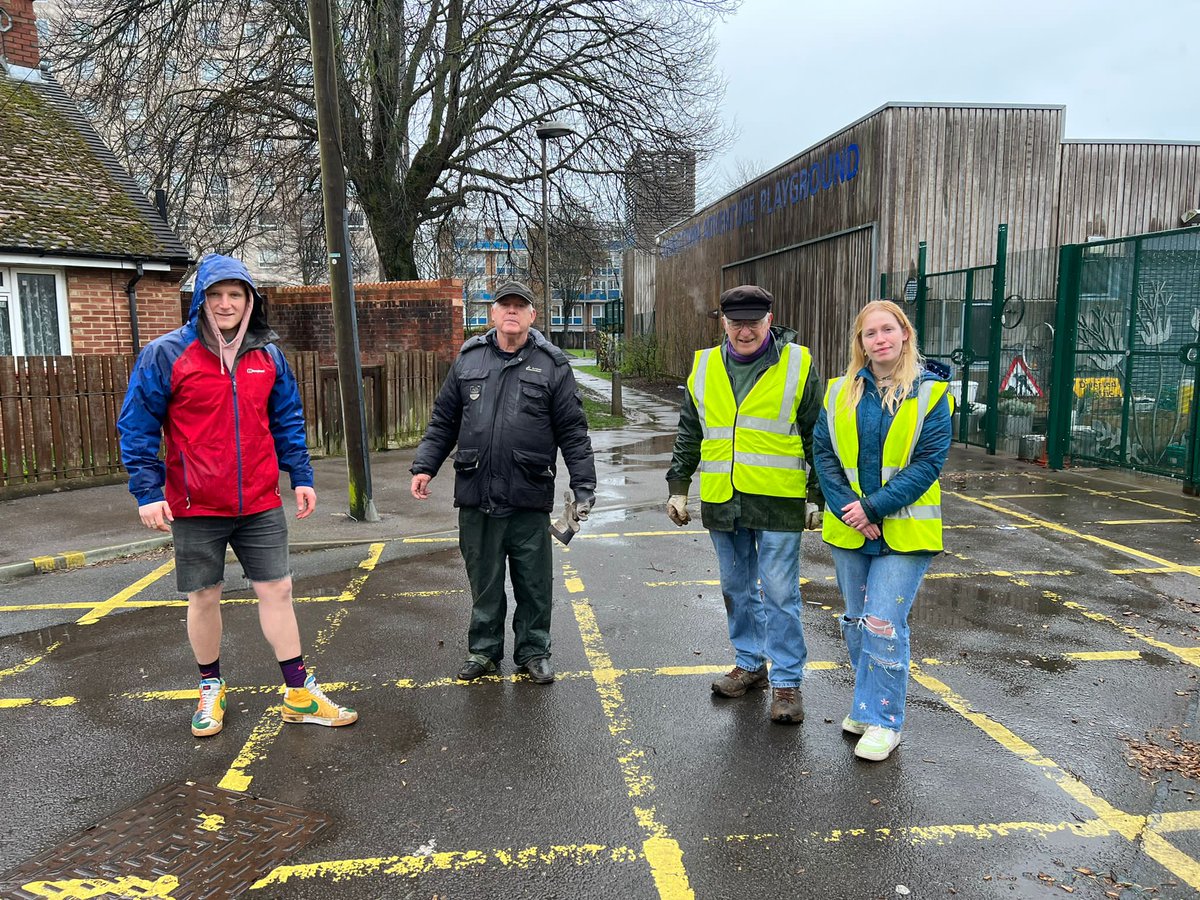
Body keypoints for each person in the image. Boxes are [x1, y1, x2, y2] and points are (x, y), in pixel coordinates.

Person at [118, 253, 356, 738]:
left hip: (260, 501)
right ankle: (211, 687)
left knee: (279, 589)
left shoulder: (266, 354)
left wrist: (302, 475)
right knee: (204, 597)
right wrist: (146, 490)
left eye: (236, 295)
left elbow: (287, 417)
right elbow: (137, 426)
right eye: (216, 295)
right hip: (194, 503)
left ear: (251, 301)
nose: (226, 304)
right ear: (201, 300)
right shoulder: (166, 355)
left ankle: (298, 692)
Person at [410, 281, 596, 684]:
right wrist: (425, 465)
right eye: (504, 305)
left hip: (528, 493)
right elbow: (444, 420)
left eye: (520, 306)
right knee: (484, 580)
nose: (511, 312)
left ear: (532, 315)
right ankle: (483, 651)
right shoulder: (468, 360)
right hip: (476, 492)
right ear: (492, 314)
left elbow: (573, 431)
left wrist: (584, 486)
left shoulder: (552, 364)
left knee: (533, 582)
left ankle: (533, 650)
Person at [665, 285, 823, 725]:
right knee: (736, 589)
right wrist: (679, 486)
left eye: (754, 322)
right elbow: (689, 432)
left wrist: (817, 495)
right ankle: (750, 663)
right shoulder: (704, 366)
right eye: (737, 323)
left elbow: (817, 435)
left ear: (769, 321)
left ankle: (787, 682)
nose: (745, 331)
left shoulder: (797, 363)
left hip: (778, 501)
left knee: (778, 593)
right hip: (723, 500)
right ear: (724, 324)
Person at [812, 299, 952, 762]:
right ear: (861, 343)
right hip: (851, 529)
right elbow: (825, 457)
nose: (880, 339)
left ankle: (885, 720)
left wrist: (871, 508)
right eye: (870, 333)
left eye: (888, 330)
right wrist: (851, 510)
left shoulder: (931, 394)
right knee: (856, 622)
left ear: (905, 333)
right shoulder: (838, 393)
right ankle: (865, 705)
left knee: (883, 622)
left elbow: (927, 464)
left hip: (905, 532)